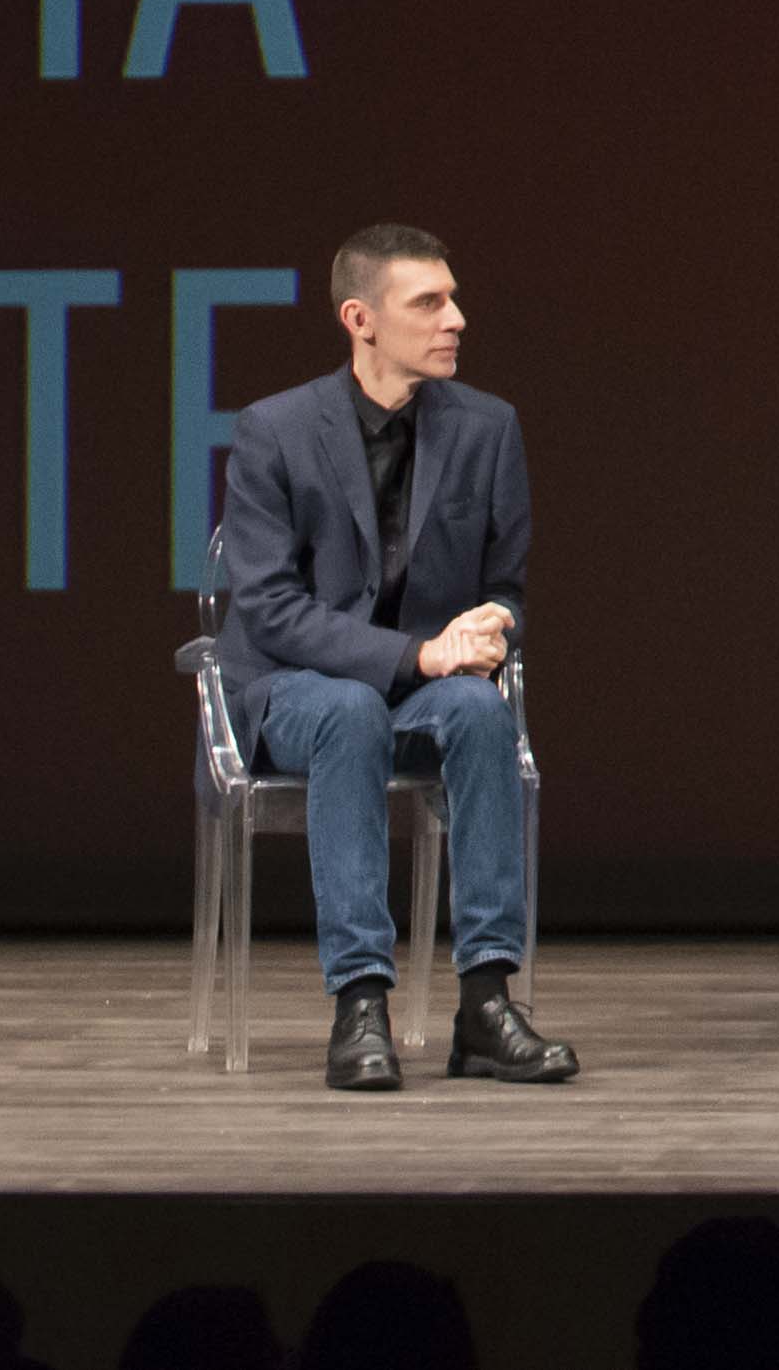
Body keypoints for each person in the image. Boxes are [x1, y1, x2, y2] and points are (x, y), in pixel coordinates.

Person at [214, 221, 581, 1092]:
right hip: (293, 688)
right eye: (429, 302)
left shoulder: (488, 428)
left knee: (481, 710)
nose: (456, 318)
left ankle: (486, 1003)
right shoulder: (275, 430)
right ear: (361, 320)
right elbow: (269, 608)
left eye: (453, 298)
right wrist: (420, 654)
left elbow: (506, 586)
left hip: (423, 687)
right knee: (348, 712)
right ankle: (360, 1003)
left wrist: (492, 624)